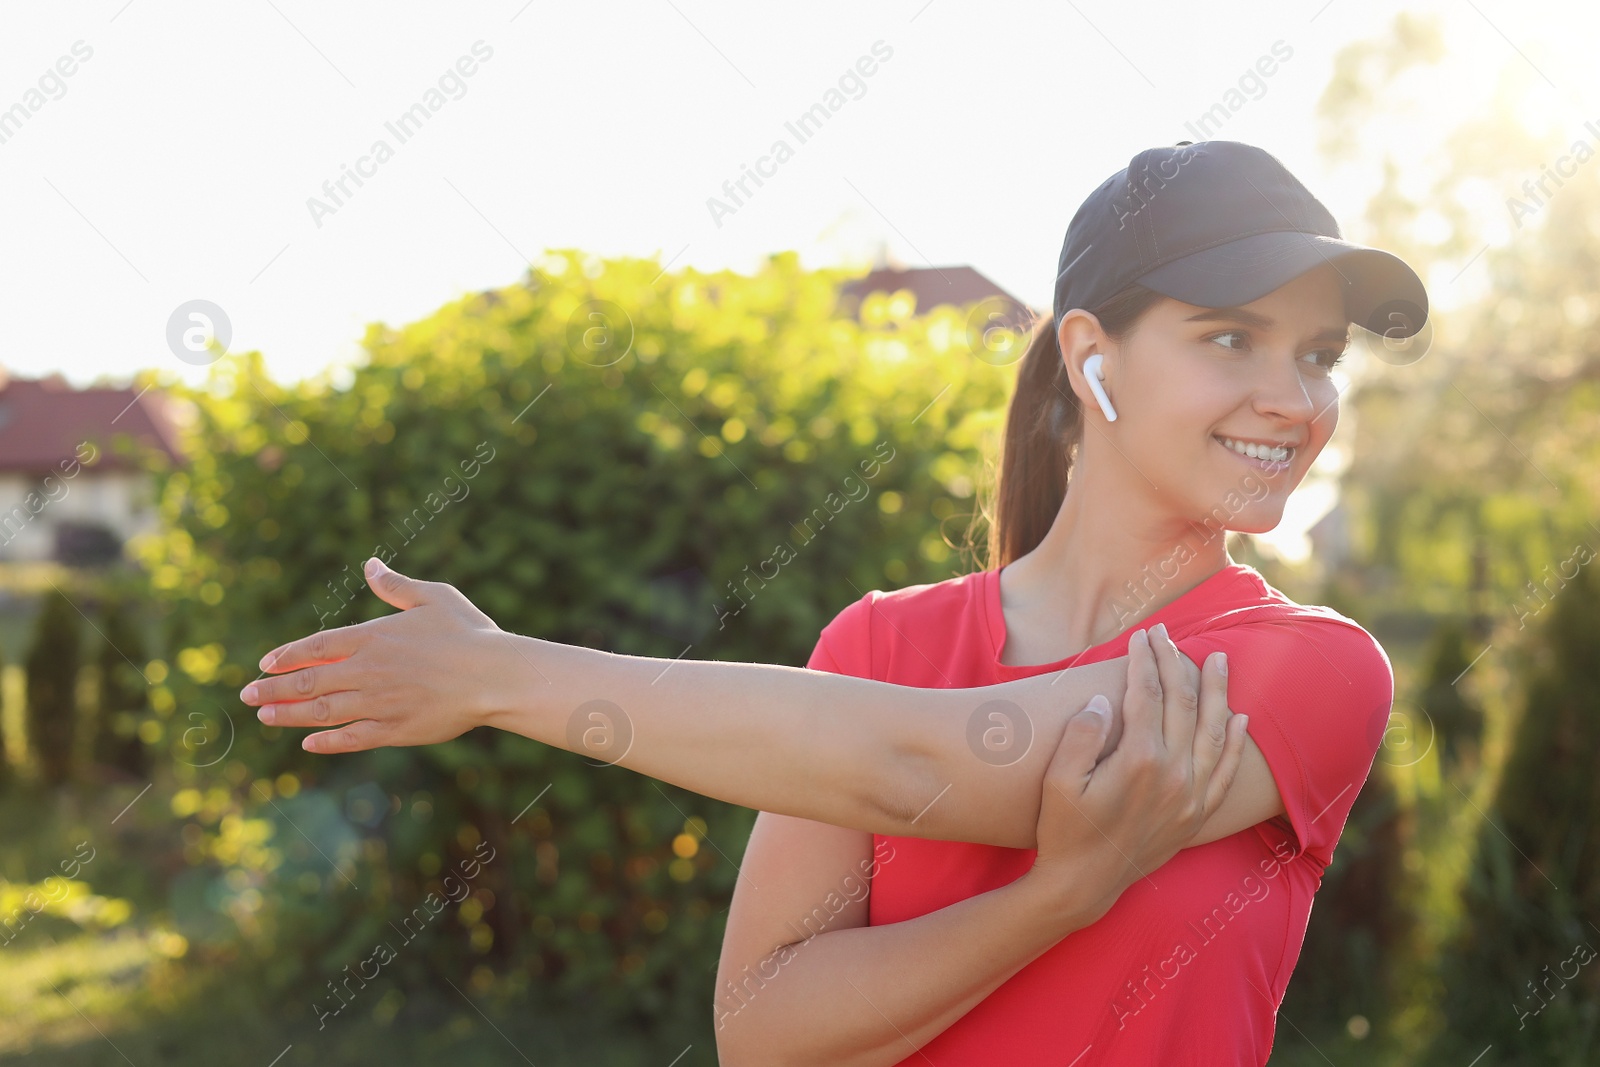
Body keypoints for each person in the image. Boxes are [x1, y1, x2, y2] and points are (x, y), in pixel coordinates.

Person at [239, 140, 1426, 1065]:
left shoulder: (1304, 671)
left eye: (1317, 354)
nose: (1293, 399)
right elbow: (766, 1034)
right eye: (1230, 337)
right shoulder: (879, 641)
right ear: (1088, 354)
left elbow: (914, 763)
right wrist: (1060, 896)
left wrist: (503, 674)